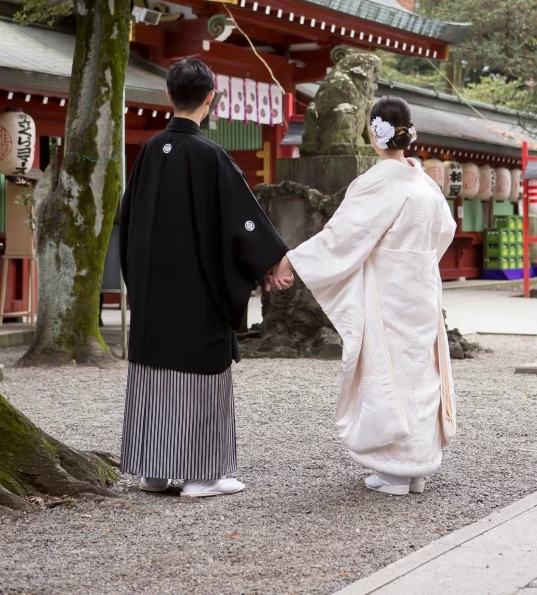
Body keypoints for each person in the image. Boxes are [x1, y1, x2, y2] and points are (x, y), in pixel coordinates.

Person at [119, 59, 292, 498]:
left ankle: (152, 470)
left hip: (154, 293)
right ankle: (203, 475)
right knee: (200, 368)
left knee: (155, 371)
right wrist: (271, 261)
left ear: (168, 96)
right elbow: (243, 223)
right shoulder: (210, 156)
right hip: (196, 295)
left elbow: (129, 223)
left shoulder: (148, 155)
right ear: (211, 98)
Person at [268, 95, 457, 496]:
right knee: (419, 371)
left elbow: (342, 238)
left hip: (388, 290)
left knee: (387, 372)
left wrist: (291, 261)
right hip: (420, 286)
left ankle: (394, 470)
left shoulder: (377, 183)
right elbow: (446, 231)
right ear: (409, 134)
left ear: (374, 133)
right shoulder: (425, 183)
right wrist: (416, 262)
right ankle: (417, 466)